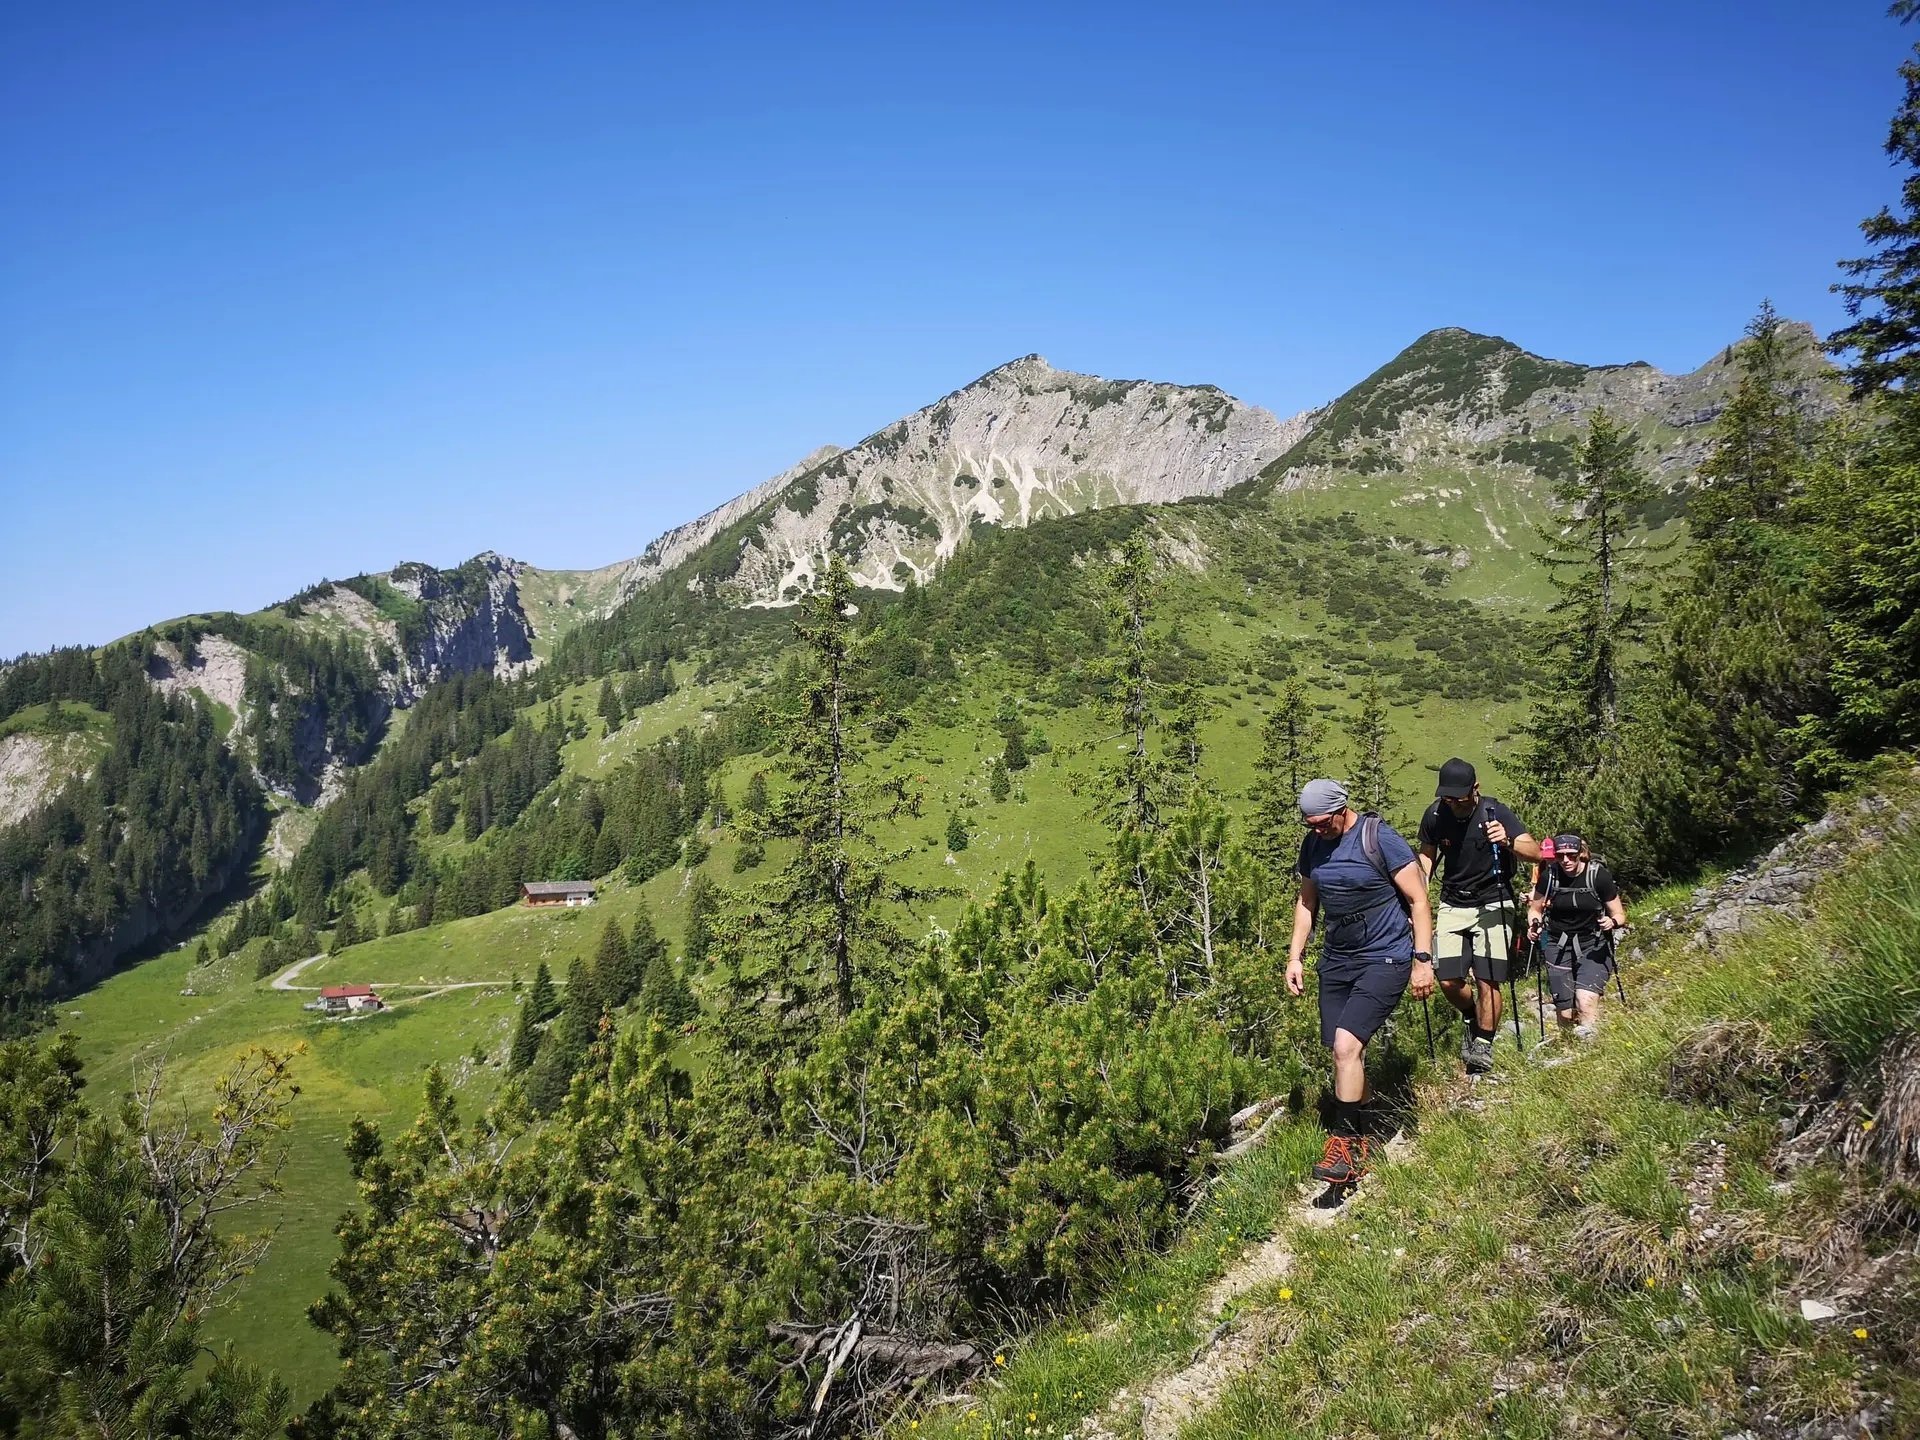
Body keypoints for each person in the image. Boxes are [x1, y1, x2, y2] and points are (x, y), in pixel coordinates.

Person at [1287, 778, 1435, 1186]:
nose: (1317, 830)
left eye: (1322, 822)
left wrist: (1423, 960)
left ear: (1341, 810)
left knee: (1346, 1046)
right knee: (1342, 1051)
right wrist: (1295, 957)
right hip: (1337, 958)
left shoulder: (1379, 839)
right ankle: (1368, 1126)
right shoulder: (1314, 844)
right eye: (1310, 824)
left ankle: (1347, 1146)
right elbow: (1307, 902)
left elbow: (1418, 900)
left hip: (1385, 955)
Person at [1415, 758, 1541, 1075]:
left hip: (1493, 900)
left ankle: (1483, 1045)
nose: (1454, 803)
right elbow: (1426, 859)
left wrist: (1508, 841)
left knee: (1487, 977)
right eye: (1447, 797)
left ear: (1475, 788)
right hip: (1453, 903)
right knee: (1447, 979)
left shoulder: (1494, 812)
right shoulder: (1434, 815)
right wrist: (1417, 897)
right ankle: (1471, 1014)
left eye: (1459, 797)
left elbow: (1536, 852)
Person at [1527, 833, 1627, 1040]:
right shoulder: (1549, 877)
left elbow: (1619, 914)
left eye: (1571, 855)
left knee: (1585, 1000)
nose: (1565, 860)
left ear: (1581, 854)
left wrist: (1612, 922)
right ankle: (1568, 1047)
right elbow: (1535, 909)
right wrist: (1534, 926)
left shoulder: (1598, 876)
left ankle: (1590, 1047)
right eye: (1560, 855)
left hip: (1594, 944)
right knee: (1564, 1012)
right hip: (1557, 945)